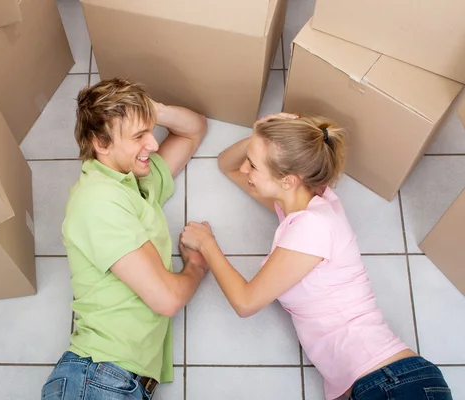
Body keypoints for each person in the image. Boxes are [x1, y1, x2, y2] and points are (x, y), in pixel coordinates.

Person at [180, 112, 453, 400]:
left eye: (254, 165)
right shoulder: (305, 203)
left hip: (390, 383)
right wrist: (265, 136)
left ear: (287, 180)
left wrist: (207, 244)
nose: (246, 169)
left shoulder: (311, 227)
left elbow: (246, 302)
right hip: (381, 382)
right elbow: (227, 164)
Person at [41, 77, 210, 400]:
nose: (154, 144)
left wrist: (148, 112)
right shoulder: (98, 201)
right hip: (98, 378)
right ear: (101, 143)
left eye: (151, 131)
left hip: (109, 380)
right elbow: (167, 298)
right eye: (139, 136)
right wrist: (197, 268)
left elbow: (194, 129)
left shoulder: (132, 184)